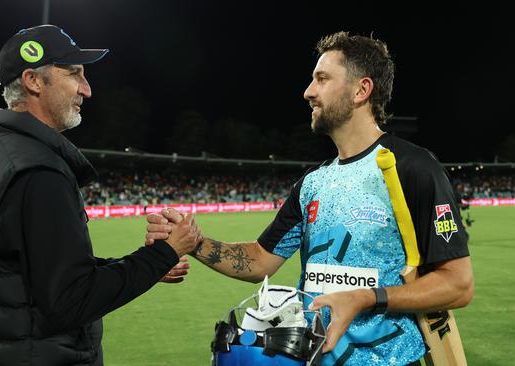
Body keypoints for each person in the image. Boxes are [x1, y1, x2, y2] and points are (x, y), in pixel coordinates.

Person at [147, 31, 474, 365]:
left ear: (361, 90)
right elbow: (261, 259)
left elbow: (457, 284)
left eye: (322, 79)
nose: (308, 92)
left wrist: (365, 298)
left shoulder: (412, 167)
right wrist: (194, 241)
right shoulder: (312, 183)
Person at [0, 24, 200, 366]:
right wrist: (165, 252)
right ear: (33, 81)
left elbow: (36, 273)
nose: (87, 90)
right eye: (74, 74)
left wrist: (148, 267)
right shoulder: (39, 172)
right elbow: (70, 301)